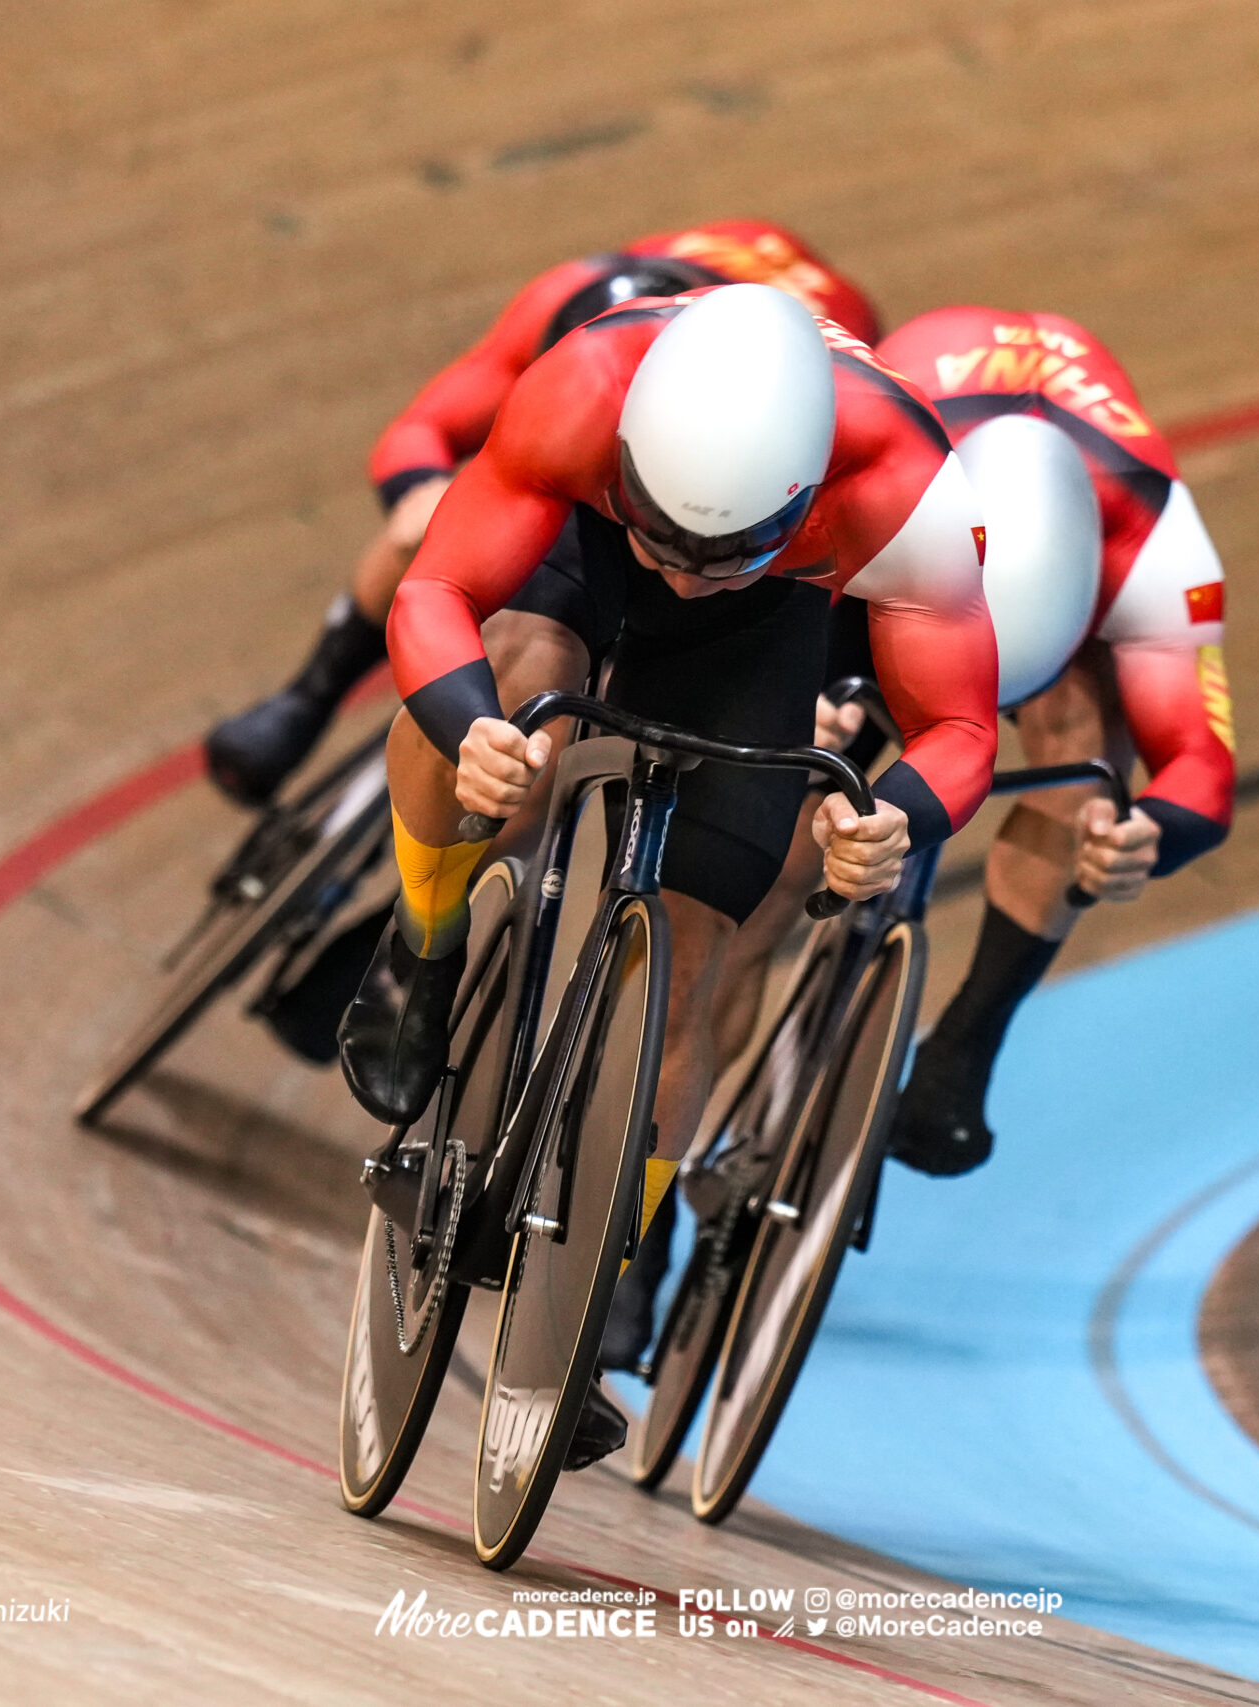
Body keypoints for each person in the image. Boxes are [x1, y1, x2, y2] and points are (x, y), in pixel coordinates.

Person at [342, 283, 997, 1461]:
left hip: (768, 628)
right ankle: (424, 941)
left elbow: (958, 726)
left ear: (804, 496)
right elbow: (437, 591)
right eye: (669, 534)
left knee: (692, 955)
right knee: (511, 703)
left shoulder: (905, 486)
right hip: (579, 557)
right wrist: (469, 725)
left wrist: (887, 816)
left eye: (720, 551)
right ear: (633, 453)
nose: (686, 574)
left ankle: (590, 1301)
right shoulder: (582, 391)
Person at [202, 222, 885, 806]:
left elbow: (815, 560)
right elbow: (419, 433)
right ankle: (308, 696)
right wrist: (424, 492)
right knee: (430, 520)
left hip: (751, 438)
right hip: (682, 313)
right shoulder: (568, 318)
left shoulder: (815, 409)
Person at [866, 305, 1238, 1177]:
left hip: (1057, 542)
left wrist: (1149, 832)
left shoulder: (1156, 549)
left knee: (1090, 758)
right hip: (911, 538)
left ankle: (966, 1041)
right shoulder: (883, 460)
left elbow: (1201, 763)